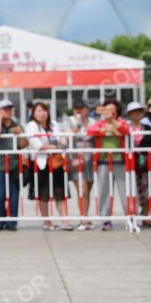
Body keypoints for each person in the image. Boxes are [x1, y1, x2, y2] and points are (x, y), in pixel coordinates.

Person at [26, 103, 72, 231]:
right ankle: (46, 221)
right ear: (34, 113)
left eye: (44, 110)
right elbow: (37, 145)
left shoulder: (53, 124)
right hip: (41, 164)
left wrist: (63, 140)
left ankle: (65, 220)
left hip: (57, 162)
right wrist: (56, 147)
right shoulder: (31, 126)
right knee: (43, 194)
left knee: (60, 192)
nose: (42, 113)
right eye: (39, 111)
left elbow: (62, 138)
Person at [88, 99, 130, 231]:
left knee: (124, 190)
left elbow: (125, 130)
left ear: (116, 112)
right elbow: (91, 131)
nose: (107, 112)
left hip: (120, 160)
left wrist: (112, 123)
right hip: (103, 161)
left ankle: (129, 217)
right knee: (104, 191)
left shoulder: (121, 122)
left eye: (111, 109)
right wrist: (104, 129)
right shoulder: (99, 123)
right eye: (105, 109)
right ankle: (105, 219)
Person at [0, 99, 28, 231]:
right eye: (5, 109)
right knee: (0, 194)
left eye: (10, 108)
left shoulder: (17, 124)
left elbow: (23, 144)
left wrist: (20, 133)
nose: (8, 111)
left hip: (14, 166)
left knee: (14, 195)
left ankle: (12, 222)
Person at [67, 98, 96, 231]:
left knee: (87, 191)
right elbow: (63, 139)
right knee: (82, 190)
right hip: (76, 160)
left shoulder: (93, 122)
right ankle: (83, 218)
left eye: (81, 108)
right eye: (76, 108)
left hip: (90, 161)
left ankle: (85, 216)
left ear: (86, 109)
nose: (79, 110)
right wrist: (71, 132)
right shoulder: (69, 121)